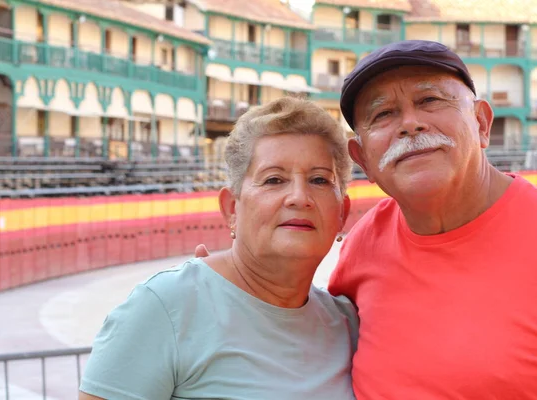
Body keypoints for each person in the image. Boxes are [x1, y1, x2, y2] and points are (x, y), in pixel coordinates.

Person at [327, 40, 537, 399]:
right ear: (362, 158)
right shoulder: (363, 244)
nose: (410, 124)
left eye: (430, 101)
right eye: (383, 114)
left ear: (481, 123)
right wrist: (223, 282)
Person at [78, 97, 359, 400]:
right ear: (231, 209)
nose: (299, 197)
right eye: (274, 179)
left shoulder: (348, 324)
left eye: (319, 179)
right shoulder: (167, 308)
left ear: (342, 213)